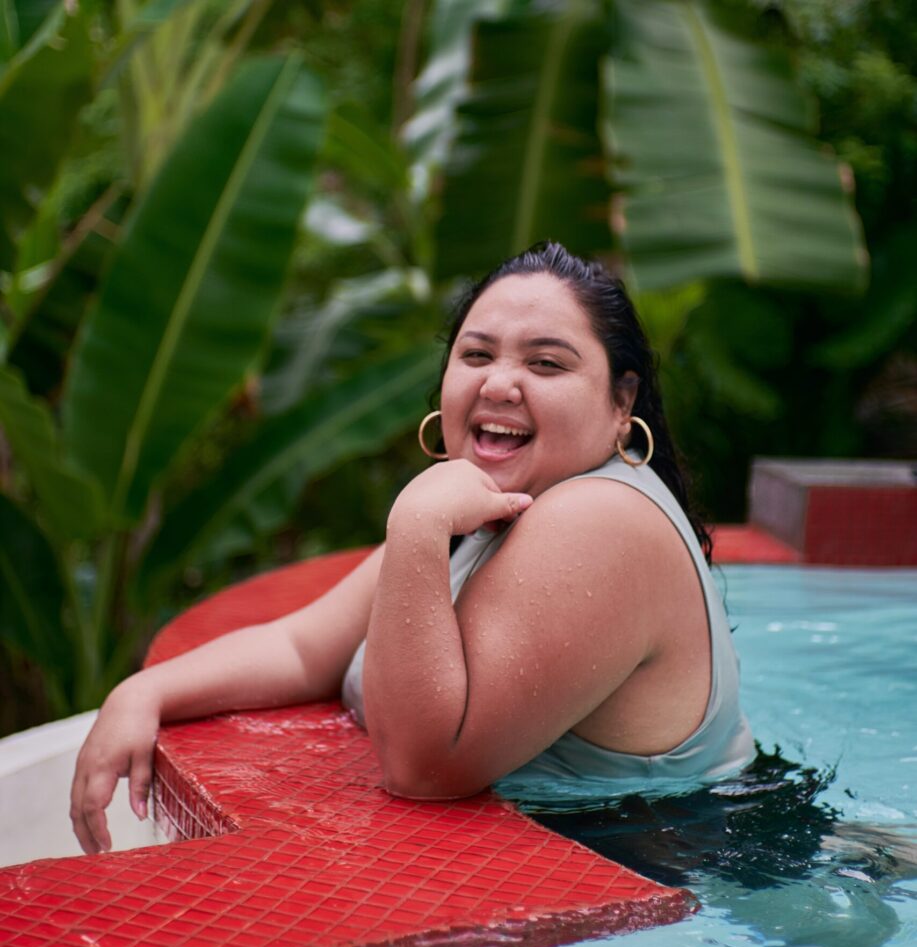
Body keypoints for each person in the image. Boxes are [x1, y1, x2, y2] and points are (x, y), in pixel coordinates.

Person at [70, 241, 755, 854]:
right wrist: (144, 691)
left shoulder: (598, 516)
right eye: (476, 355)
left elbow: (424, 770)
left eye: (545, 362)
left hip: (669, 885)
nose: (497, 383)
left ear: (618, 402)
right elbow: (304, 647)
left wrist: (417, 524)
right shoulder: (494, 505)